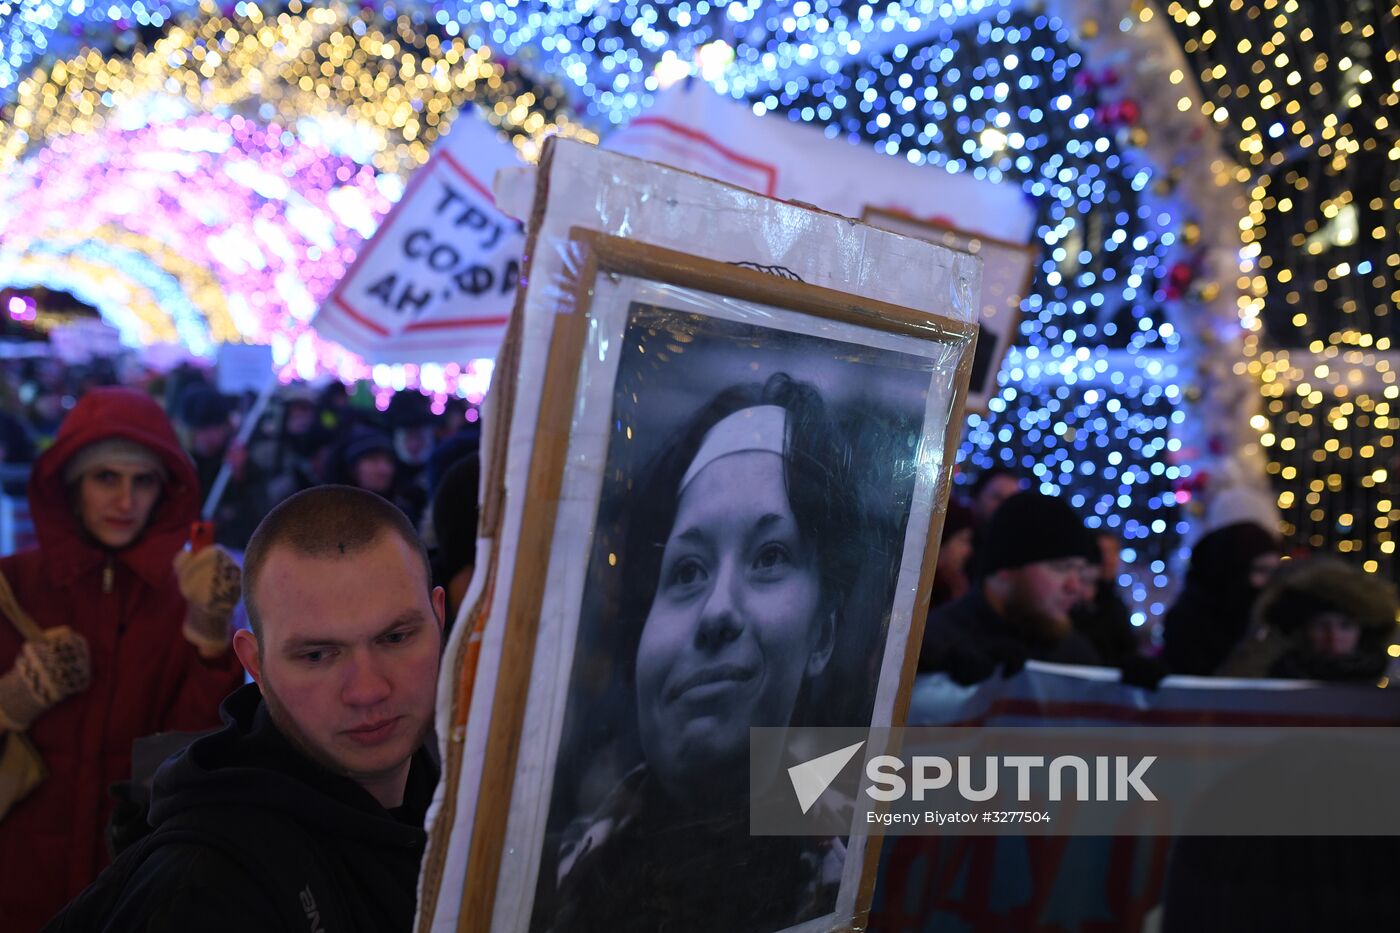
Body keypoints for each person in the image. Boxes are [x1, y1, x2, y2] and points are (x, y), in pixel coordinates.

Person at [541, 373, 861, 933]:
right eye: (687, 570)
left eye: (769, 557)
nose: (717, 611)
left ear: (824, 635)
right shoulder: (543, 883)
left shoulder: (858, 893)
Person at [47, 485, 445, 932]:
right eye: (317, 655)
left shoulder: (465, 800)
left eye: (395, 638)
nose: (368, 690)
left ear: (440, 617)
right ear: (255, 664)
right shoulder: (205, 895)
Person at [0, 387, 244, 931]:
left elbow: (192, 755)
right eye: (106, 477)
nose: (126, 500)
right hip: (16, 879)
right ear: (72, 484)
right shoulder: (12, 588)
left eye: (144, 480)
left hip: (128, 884)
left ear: (164, 490)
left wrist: (210, 643)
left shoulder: (185, 597)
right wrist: (10, 702)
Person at [919, 491, 1102, 681]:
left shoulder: (1075, 657)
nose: (1074, 586)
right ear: (1005, 570)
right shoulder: (930, 646)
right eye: (1061, 567)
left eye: (1080, 572)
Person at [1220, 557, 1399, 683]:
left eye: (1346, 626)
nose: (1333, 637)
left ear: (1363, 629)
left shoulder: (1387, 681)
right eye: (1321, 626)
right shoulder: (1269, 674)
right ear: (1302, 629)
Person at [1160, 520, 1282, 676]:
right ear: (1232, 569)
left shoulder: (1269, 614)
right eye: (1260, 570)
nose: (1268, 582)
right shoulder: (1189, 619)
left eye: (1274, 572)